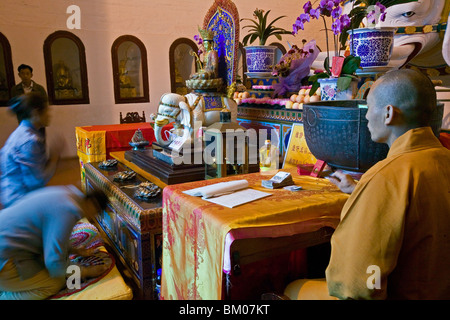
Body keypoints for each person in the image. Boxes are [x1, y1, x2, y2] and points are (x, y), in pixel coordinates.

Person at [284, 69, 450, 300]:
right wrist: (360, 190)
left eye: (369, 107)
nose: (367, 116)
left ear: (389, 113)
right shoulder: (441, 159)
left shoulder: (386, 177)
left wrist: (374, 188)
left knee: (293, 288)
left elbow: (359, 282)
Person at [0, 185, 109, 300]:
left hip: (7, 247)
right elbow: (54, 263)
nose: (93, 217)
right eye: (96, 213)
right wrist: (86, 271)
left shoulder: (67, 193)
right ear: (93, 204)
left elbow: (49, 233)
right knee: (55, 283)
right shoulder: (69, 209)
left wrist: (74, 250)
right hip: (5, 260)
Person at [0, 92, 64, 208]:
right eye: (47, 111)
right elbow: (36, 182)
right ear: (35, 113)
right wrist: (54, 157)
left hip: (9, 195)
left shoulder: (20, 133)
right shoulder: (29, 141)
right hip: (19, 201)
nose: (49, 115)